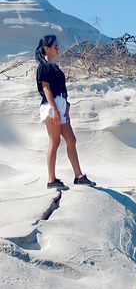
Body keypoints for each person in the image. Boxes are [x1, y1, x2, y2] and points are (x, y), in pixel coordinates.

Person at [35, 35, 96, 190]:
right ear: (46, 48)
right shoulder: (43, 66)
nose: (58, 48)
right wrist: (55, 109)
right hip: (51, 107)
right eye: (55, 46)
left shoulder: (55, 67)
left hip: (61, 107)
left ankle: (79, 176)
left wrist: (66, 106)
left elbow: (61, 89)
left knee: (71, 140)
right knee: (54, 142)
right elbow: (46, 88)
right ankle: (51, 180)